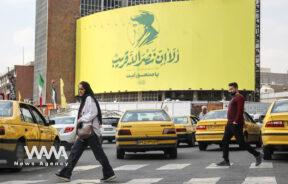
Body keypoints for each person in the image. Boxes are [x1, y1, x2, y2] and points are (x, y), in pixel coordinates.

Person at [56, 81, 116, 182]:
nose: (80, 91)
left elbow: (93, 113)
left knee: (99, 154)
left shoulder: (89, 98)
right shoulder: (84, 100)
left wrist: (81, 120)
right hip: (85, 132)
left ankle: (109, 173)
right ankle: (65, 173)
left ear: (86, 89)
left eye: (82, 89)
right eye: (79, 89)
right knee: (75, 152)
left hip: (91, 131)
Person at [217, 82, 262, 166]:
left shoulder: (240, 97)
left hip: (235, 124)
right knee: (224, 141)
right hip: (229, 124)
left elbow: (240, 110)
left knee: (241, 143)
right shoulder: (233, 98)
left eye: (232, 89)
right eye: (229, 89)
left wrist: (236, 121)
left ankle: (257, 154)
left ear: (236, 89)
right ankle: (226, 160)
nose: (230, 91)